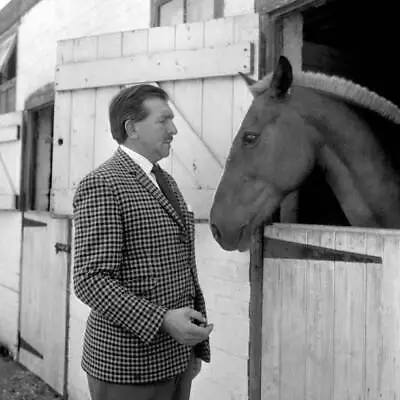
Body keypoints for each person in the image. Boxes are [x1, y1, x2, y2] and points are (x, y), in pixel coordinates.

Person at [72, 84, 213, 400]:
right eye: (163, 120)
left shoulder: (165, 180)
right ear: (131, 127)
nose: (174, 129)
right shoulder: (102, 184)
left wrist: (189, 346)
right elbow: (89, 280)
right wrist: (162, 320)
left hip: (176, 358)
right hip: (129, 369)